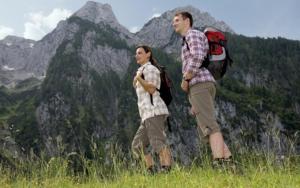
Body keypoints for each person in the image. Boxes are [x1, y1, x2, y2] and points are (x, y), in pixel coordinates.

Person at [172, 11, 234, 169]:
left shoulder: (191, 34)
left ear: (187, 21)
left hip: (200, 84)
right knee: (208, 127)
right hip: (199, 86)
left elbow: (198, 56)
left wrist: (186, 79)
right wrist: (193, 100)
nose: (174, 23)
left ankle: (219, 165)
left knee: (210, 127)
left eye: (177, 20)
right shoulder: (188, 38)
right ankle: (230, 165)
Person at [131, 45, 172, 173]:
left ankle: (167, 169)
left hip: (154, 111)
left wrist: (138, 79)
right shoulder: (142, 70)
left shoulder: (150, 69)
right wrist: (138, 78)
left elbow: (151, 89)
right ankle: (151, 170)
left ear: (148, 54)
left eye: (140, 53)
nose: (136, 55)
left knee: (157, 142)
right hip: (146, 115)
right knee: (137, 145)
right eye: (136, 53)